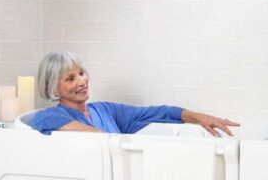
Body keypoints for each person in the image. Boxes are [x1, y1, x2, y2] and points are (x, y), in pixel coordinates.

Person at [30, 50, 239, 137]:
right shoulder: (51, 116)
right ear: (53, 88)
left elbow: (156, 113)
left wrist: (198, 117)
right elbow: (42, 121)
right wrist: (111, 140)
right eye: (70, 78)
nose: (81, 81)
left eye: (81, 73)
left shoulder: (105, 110)